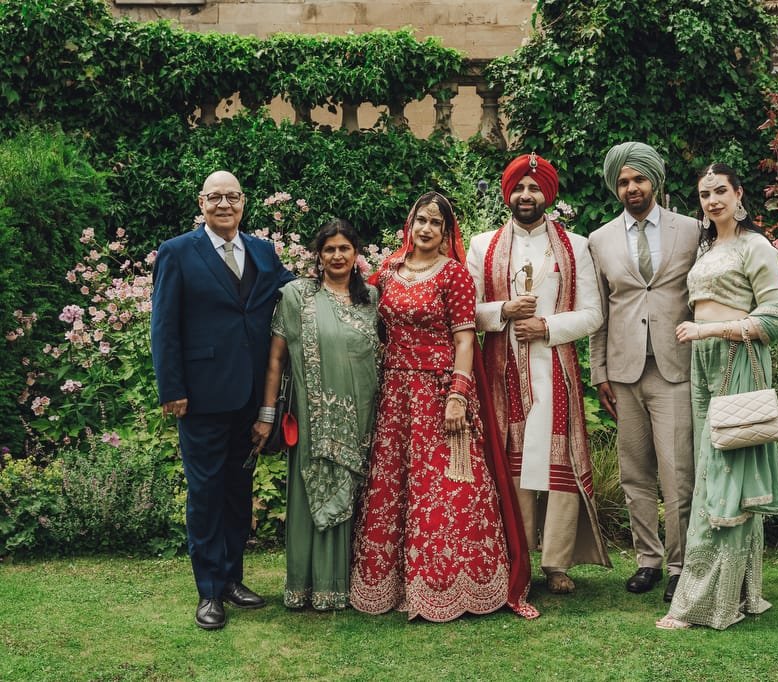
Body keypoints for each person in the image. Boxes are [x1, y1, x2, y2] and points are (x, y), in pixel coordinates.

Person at [350, 191, 537, 622]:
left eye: (437, 223)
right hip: (396, 395)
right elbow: (369, 324)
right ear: (409, 225)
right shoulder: (389, 272)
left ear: (447, 231)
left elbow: (465, 338)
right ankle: (395, 585)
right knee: (394, 489)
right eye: (421, 220)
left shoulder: (453, 274)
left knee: (449, 490)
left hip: (440, 395)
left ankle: (451, 585)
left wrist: (457, 394)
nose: (427, 229)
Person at [151, 170, 294, 630]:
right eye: (216, 197)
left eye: (232, 196)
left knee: (238, 493)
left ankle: (233, 579)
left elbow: (298, 293)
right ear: (201, 202)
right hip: (202, 398)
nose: (225, 204)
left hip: (251, 396)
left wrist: (360, 283)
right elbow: (164, 326)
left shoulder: (263, 252)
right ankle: (209, 592)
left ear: (244, 202)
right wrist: (172, 389)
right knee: (206, 493)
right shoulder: (177, 252)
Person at [466, 153, 611, 595]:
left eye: (534, 188)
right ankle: (518, 559)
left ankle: (557, 563)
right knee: (512, 465)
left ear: (548, 194)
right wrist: (503, 311)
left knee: (555, 462)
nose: (525, 195)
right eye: (518, 188)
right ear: (507, 193)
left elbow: (593, 315)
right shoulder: (482, 245)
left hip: (554, 368)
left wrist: (547, 326)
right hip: (502, 367)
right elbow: (465, 311)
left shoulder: (577, 246)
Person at [656, 163, 778, 630]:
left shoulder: (756, 246)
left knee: (723, 474)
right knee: (710, 471)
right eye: (704, 194)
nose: (712, 201)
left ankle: (703, 604)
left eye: (720, 192)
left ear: (738, 194)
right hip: (703, 363)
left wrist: (707, 329)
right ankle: (740, 592)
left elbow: (773, 319)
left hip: (738, 361)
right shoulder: (709, 247)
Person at [588, 142, 700, 602]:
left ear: (655, 181)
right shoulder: (600, 239)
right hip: (623, 371)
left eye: (638, 179)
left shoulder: (692, 230)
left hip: (675, 367)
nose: (631, 187)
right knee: (635, 474)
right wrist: (599, 373)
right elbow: (599, 312)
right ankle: (647, 561)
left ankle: (680, 565)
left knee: (678, 475)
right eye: (623, 181)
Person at [252, 219, 379, 610]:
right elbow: (276, 359)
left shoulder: (372, 298)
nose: (337, 256)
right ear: (318, 256)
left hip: (363, 417)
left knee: (359, 498)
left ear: (356, 254)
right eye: (329, 250)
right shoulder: (296, 296)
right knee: (310, 497)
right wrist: (267, 413)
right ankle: (306, 586)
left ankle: (348, 587)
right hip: (313, 418)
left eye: (344, 248)